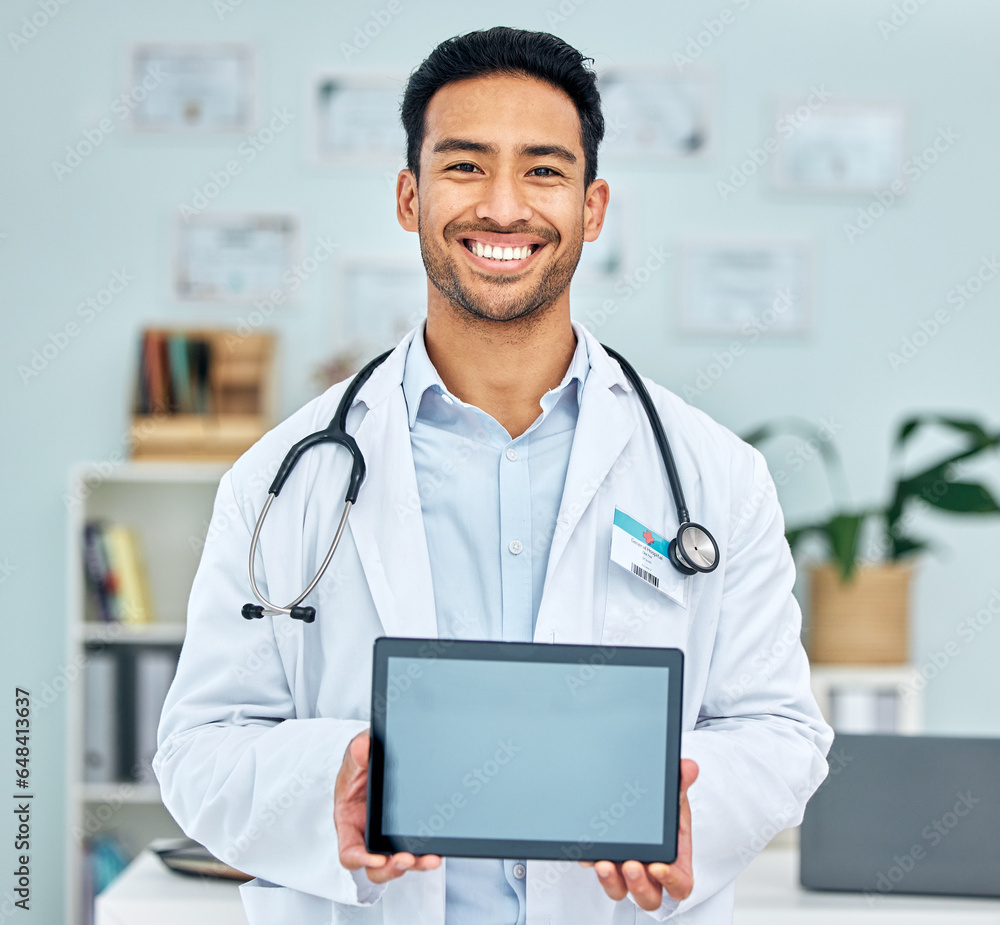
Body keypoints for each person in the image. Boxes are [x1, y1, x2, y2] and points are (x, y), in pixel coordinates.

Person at [154, 26, 833, 925]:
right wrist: (334, 780)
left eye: (544, 170)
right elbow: (200, 746)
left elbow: (780, 732)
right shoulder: (282, 478)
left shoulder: (717, 477)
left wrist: (684, 809)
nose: (504, 208)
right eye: (466, 166)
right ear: (410, 195)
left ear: (593, 209)